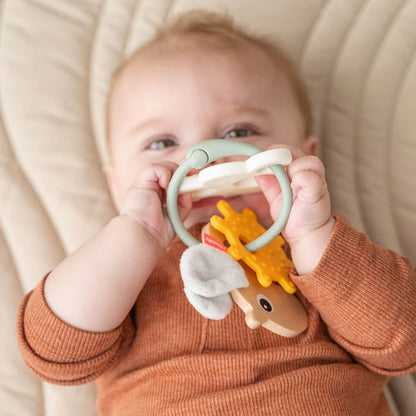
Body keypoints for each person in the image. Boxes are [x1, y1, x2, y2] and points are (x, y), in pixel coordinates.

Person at [17, 10, 416, 416]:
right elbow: (55, 354)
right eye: (162, 142)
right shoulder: (131, 267)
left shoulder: (318, 253)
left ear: (305, 156)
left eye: (239, 133)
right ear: (116, 181)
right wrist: (132, 236)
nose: (202, 159)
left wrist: (314, 234)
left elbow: (405, 342)